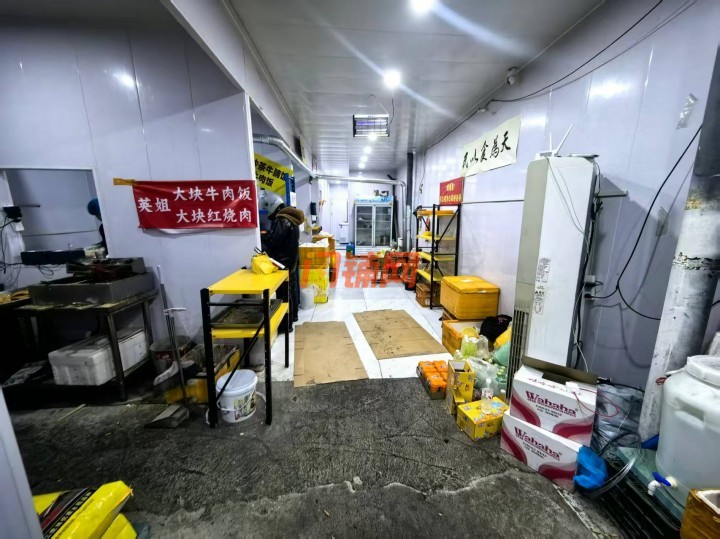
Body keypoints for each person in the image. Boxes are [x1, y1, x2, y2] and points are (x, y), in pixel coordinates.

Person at [259, 190, 304, 326]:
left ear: (272, 205)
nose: (268, 214)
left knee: (284, 293)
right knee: (292, 290)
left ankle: (286, 324)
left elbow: (274, 241)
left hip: (283, 262)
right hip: (292, 260)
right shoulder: (291, 218)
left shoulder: (282, 220)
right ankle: (294, 316)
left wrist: (263, 235)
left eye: (267, 210)